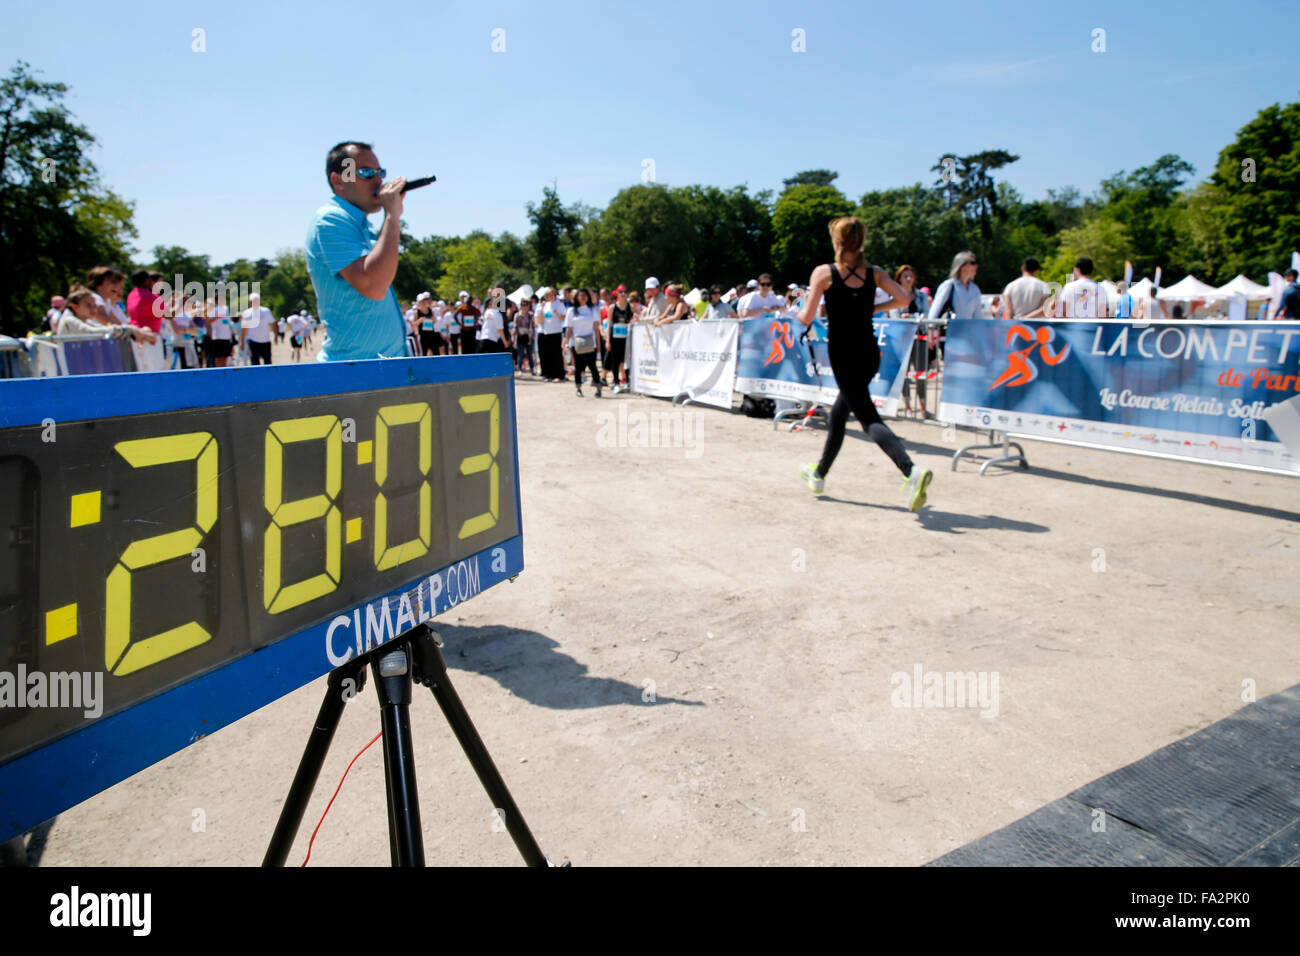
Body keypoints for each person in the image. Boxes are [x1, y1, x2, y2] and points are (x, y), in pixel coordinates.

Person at [796, 217, 933, 512]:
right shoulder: (876, 273)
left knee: (869, 419)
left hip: (843, 354)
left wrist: (795, 312)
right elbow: (904, 299)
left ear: (837, 243)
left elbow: (807, 318)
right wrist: (874, 308)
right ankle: (819, 474)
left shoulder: (824, 273)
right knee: (840, 412)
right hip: (869, 353)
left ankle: (911, 471)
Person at [304, 141, 409, 361]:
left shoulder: (361, 226)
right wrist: (391, 215)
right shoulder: (330, 219)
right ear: (338, 180)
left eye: (380, 172)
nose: (378, 180)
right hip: (354, 373)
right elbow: (374, 285)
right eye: (365, 172)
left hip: (377, 369)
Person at [895, 264, 935, 419]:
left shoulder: (921, 296)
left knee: (921, 373)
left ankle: (923, 407)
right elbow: (894, 316)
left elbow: (927, 315)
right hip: (902, 339)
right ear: (899, 278)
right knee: (904, 374)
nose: (909, 279)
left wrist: (913, 317)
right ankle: (908, 406)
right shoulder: (895, 295)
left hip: (920, 337)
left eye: (911, 276)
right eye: (905, 276)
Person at [564, 288, 602, 397]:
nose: (583, 297)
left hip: (591, 342)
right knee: (578, 367)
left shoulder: (592, 310)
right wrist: (566, 343)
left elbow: (596, 328)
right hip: (576, 342)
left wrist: (598, 344)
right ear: (576, 297)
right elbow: (569, 329)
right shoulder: (571, 311)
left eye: (585, 295)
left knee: (592, 366)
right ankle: (578, 388)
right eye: (581, 295)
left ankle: (598, 387)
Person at [928, 252, 982, 321]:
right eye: (973, 263)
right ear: (962, 265)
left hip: (967, 331)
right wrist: (930, 329)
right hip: (949, 330)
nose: (976, 266)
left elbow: (978, 318)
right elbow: (933, 314)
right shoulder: (948, 286)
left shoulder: (975, 289)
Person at [605, 287, 633, 390]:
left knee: (626, 360)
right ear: (617, 294)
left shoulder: (629, 307)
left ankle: (627, 382)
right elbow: (609, 324)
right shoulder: (612, 307)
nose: (623, 294)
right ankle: (616, 382)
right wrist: (608, 340)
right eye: (621, 292)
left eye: (625, 292)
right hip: (615, 338)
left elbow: (632, 320)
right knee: (615, 361)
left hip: (626, 338)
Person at [537, 287, 566, 381]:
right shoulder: (545, 305)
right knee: (547, 354)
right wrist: (541, 308)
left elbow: (563, 319)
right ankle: (549, 374)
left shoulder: (560, 304)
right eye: (548, 295)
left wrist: (556, 313)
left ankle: (559, 374)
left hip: (556, 332)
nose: (550, 297)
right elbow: (540, 321)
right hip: (547, 332)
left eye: (552, 295)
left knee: (557, 354)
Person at [240, 293, 275, 365]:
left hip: (266, 340)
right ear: (250, 302)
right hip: (253, 341)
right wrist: (242, 342)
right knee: (255, 362)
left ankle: (267, 376)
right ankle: (257, 376)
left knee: (268, 362)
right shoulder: (247, 313)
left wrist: (276, 335)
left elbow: (272, 323)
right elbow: (244, 329)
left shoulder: (266, 311)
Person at [477, 288, 511, 353]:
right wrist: (505, 343)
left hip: (482, 339)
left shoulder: (487, 312)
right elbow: (500, 330)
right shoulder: (497, 314)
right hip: (491, 341)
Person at [514, 297, 535, 374]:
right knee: (520, 353)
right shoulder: (517, 315)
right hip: (520, 336)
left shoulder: (531, 315)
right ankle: (519, 368)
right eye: (522, 305)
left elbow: (533, 326)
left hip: (529, 336)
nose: (524, 307)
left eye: (526, 305)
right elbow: (515, 327)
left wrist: (533, 335)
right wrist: (514, 337)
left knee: (530, 353)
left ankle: (532, 368)